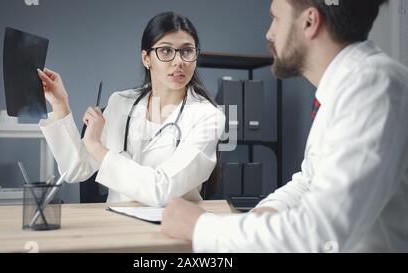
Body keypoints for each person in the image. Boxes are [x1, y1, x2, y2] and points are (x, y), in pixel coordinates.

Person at [161, 0, 408, 252]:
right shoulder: (348, 85)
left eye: (276, 19)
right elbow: (310, 179)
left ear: (309, 22)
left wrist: (200, 226)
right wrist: (268, 210)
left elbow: (317, 234)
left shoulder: (373, 87)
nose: (269, 33)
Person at [37, 12, 225, 207]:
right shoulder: (120, 103)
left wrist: (96, 147)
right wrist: (60, 105)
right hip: (119, 225)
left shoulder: (208, 116)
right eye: (166, 51)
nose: (179, 61)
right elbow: (76, 169)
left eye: (186, 51)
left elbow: (162, 190)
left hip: (172, 226)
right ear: (146, 59)